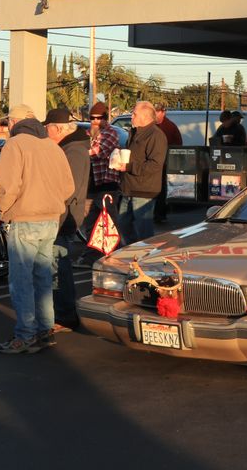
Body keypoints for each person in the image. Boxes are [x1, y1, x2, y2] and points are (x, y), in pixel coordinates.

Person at [0, 103, 75, 354]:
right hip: (50, 220)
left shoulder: (15, 144)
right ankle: (45, 331)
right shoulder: (51, 145)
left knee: (21, 281)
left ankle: (25, 336)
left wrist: (3, 211)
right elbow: (68, 188)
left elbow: (8, 187)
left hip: (25, 219)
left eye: (8, 123)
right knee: (43, 278)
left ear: (13, 123)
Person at [44, 107, 90, 331]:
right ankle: (62, 314)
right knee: (57, 266)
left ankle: (65, 316)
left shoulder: (73, 151)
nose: (45, 131)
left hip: (64, 216)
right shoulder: (71, 147)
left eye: (48, 127)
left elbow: (69, 188)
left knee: (59, 267)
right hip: (63, 214)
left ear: (58, 128)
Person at [113, 101, 167, 244]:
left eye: (134, 114)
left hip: (144, 190)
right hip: (129, 188)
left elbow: (155, 165)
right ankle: (133, 252)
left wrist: (128, 167)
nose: (131, 116)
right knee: (123, 223)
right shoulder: (135, 132)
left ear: (145, 116)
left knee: (143, 230)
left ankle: (145, 257)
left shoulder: (156, 135)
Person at [79, 100, 120, 254]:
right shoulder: (87, 134)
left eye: (99, 117)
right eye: (92, 118)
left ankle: (114, 253)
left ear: (105, 118)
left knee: (110, 223)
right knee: (88, 224)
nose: (95, 121)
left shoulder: (111, 133)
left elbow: (98, 152)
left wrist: (83, 151)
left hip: (107, 185)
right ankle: (94, 253)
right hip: (90, 186)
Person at [153, 102, 182, 224]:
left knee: (161, 190)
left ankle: (160, 214)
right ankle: (155, 213)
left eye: (157, 112)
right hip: (154, 162)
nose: (155, 114)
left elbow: (178, 145)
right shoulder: (152, 125)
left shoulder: (170, 126)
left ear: (163, 112)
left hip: (165, 163)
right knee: (155, 189)